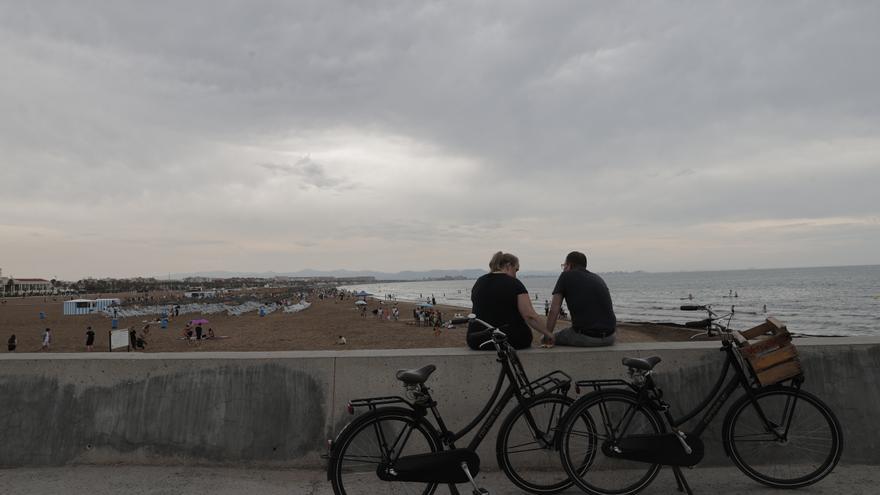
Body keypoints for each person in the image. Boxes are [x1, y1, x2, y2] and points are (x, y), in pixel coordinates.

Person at [467, 251, 554, 350]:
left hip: (476, 340)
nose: (516, 275)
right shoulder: (514, 283)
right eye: (516, 270)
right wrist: (548, 333)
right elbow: (529, 315)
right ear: (508, 266)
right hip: (510, 339)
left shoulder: (479, 282)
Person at [546, 251, 616, 347]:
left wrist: (547, 335)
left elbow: (554, 310)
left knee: (549, 337)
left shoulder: (565, 276)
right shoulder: (597, 278)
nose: (563, 269)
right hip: (610, 337)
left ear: (569, 265)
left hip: (586, 337)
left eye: (564, 265)